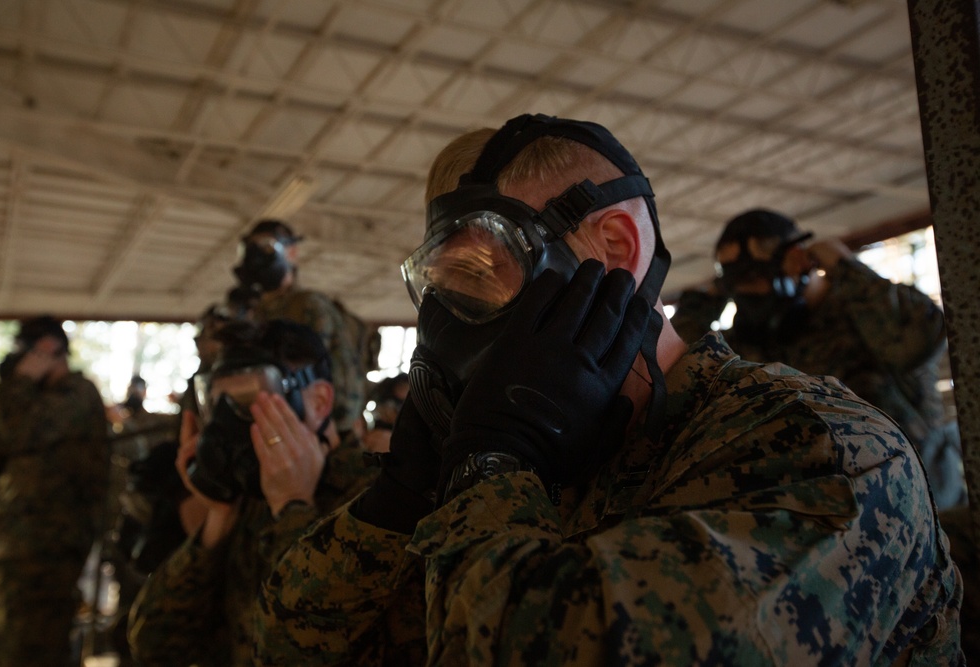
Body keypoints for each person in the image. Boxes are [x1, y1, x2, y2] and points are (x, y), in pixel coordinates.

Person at [255, 114, 963, 665]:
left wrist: (494, 464)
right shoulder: (555, 459)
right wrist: (401, 497)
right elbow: (288, 647)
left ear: (616, 249)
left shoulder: (823, 449)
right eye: (445, 290)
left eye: (484, 273)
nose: (458, 326)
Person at [670, 209, 967, 510]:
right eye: (738, 286)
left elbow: (915, 344)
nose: (752, 294)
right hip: (825, 523)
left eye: (757, 278)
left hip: (922, 512)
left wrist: (845, 267)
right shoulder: (747, 342)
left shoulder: (866, 314)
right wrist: (698, 307)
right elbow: (683, 385)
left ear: (797, 259)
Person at [126, 319, 378, 667]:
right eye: (221, 406)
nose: (231, 425)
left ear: (319, 402)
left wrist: (293, 508)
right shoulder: (249, 496)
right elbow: (156, 644)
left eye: (249, 402)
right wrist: (218, 517)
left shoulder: (375, 500)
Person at [0, 315, 110, 667]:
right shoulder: (21, 398)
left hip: (45, 552)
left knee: (31, 651)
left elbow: (23, 433)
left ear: (51, 350)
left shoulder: (76, 393)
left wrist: (19, 383)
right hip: (6, 548)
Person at [234, 219, 376, 435]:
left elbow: (312, 371)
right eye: (251, 248)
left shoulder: (307, 305)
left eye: (266, 247)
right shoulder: (256, 312)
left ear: (292, 253)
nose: (256, 256)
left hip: (322, 428)